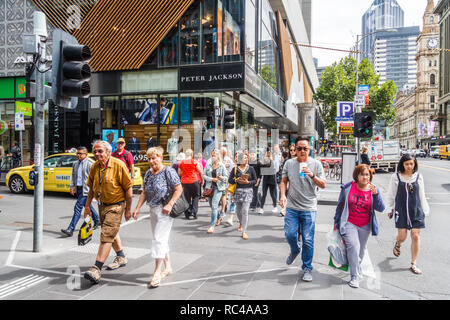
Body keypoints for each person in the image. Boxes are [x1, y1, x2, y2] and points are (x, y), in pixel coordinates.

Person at [83, 140, 134, 284]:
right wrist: (87, 207)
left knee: (106, 235)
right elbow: (91, 189)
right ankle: (121, 256)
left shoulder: (119, 165)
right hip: (101, 205)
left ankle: (96, 269)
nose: (97, 154)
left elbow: (129, 189)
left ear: (108, 152)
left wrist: (128, 209)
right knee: (111, 231)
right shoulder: (94, 167)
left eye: (100, 151)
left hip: (116, 205)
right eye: (95, 151)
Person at [132, 146, 183, 288]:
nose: (151, 161)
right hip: (153, 209)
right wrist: (136, 208)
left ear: (160, 158)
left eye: (154, 158)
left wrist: (170, 204)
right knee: (160, 238)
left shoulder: (168, 171)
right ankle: (168, 266)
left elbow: (179, 188)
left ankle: (156, 272)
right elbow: (143, 192)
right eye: (149, 158)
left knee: (158, 239)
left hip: (164, 210)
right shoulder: (148, 173)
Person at [279, 137, 326, 282]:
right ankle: (294, 250)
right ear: (295, 149)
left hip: (309, 208)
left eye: (305, 148)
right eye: (299, 148)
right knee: (290, 234)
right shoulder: (289, 163)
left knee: (308, 240)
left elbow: (323, 184)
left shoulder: (316, 164)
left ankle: (307, 267)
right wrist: (282, 196)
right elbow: (283, 181)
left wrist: (312, 175)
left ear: (309, 149)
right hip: (292, 206)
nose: (301, 151)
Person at [334, 164, 385, 288]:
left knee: (361, 251)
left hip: (365, 225)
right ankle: (354, 276)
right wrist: (336, 222)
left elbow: (381, 208)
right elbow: (340, 205)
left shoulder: (373, 189)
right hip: (349, 223)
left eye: (367, 174)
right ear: (357, 175)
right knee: (354, 247)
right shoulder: (348, 187)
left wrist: (376, 195)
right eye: (362, 174)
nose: (365, 177)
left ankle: (356, 267)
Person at [385, 154, 430, 275]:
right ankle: (398, 244)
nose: (409, 166)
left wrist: (425, 210)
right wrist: (390, 208)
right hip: (401, 210)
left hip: (416, 210)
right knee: (402, 236)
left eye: (411, 163)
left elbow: (422, 194)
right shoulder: (396, 177)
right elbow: (391, 194)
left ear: (414, 164)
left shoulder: (419, 177)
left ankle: (413, 263)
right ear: (402, 164)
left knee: (415, 235)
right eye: (407, 164)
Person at [61, 147, 100, 237]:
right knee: (87, 205)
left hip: (86, 190)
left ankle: (71, 228)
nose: (78, 155)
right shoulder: (75, 164)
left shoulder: (90, 164)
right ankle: (97, 221)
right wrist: (72, 187)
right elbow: (74, 176)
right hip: (79, 188)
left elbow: (95, 178)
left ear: (85, 154)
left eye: (80, 153)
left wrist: (93, 190)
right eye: (77, 153)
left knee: (77, 208)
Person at [228, 152, 257, 240]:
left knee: (245, 210)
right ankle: (241, 222)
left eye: (246, 158)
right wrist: (236, 179)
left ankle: (244, 231)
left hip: (248, 191)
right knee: (238, 211)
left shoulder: (251, 168)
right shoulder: (235, 169)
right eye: (244, 158)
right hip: (238, 192)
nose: (245, 159)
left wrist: (249, 182)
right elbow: (230, 180)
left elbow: (255, 180)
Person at [203, 153, 228, 234]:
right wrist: (212, 179)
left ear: (218, 156)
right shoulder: (208, 164)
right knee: (212, 206)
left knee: (214, 206)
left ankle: (212, 226)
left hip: (218, 188)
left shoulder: (222, 165)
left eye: (214, 155)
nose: (213, 156)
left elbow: (226, 178)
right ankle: (219, 217)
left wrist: (221, 177)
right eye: (212, 155)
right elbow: (204, 175)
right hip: (209, 188)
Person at [178, 149, 203, 219]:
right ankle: (194, 212)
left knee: (186, 197)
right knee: (195, 196)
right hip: (194, 180)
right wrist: (202, 180)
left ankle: (187, 213)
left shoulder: (181, 162)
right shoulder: (194, 161)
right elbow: (201, 171)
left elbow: (179, 173)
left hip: (184, 182)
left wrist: (185, 172)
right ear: (192, 154)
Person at [258, 150, 279, 215]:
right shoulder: (263, 163)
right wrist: (260, 179)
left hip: (272, 179)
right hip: (266, 180)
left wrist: (271, 161)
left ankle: (275, 207)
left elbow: (276, 169)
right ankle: (261, 208)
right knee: (264, 194)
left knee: (273, 194)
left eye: (269, 156)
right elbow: (261, 171)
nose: (267, 157)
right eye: (266, 156)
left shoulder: (274, 162)